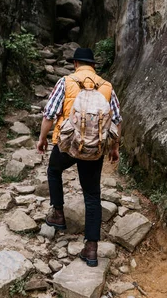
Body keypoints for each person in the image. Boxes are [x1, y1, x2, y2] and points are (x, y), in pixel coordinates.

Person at [37, 47, 122, 267]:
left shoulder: (66, 82)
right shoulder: (107, 87)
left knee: (54, 170)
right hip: (95, 150)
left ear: (75, 64)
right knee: (92, 195)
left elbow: (50, 114)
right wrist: (115, 148)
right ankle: (91, 249)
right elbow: (117, 120)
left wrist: (42, 138)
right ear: (93, 66)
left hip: (67, 145)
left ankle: (57, 213)